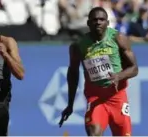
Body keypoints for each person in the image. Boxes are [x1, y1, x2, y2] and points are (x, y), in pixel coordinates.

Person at [59, 7, 138, 136]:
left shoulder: (118, 38)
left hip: (117, 98)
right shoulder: (78, 46)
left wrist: (118, 76)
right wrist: (70, 104)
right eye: (94, 20)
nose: (98, 22)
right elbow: (73, 74)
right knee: (93, 133)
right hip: (96, 98)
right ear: (88, 23)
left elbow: (134, 68)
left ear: (108, 22)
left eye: (102, 19)